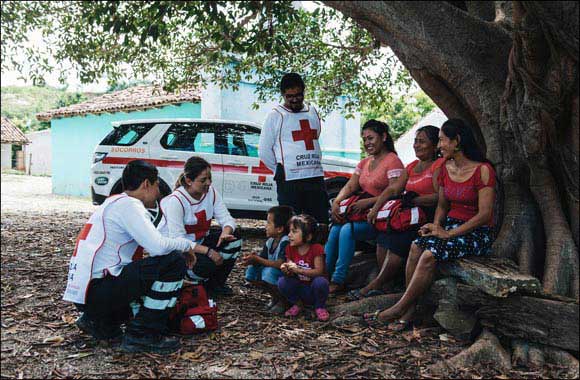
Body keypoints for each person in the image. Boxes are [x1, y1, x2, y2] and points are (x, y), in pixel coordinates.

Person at [363, 119, 496, 330]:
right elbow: (443, 205)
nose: (440, 145)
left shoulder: (483, 170)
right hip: (449, 226)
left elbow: (484, 214)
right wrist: (434, 227)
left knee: (429, 254)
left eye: (442, 140)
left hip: (476, 232)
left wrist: (448, 234)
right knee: (416, 245)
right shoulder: (446, 168)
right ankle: (409, 310)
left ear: (457, 141)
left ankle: (399, 309)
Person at [63, 160, 205, 354]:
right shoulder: (130, 205)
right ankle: (142, 334)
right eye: (156, 187)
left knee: (159, 269)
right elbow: (158, 246)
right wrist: (187, 245)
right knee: (174, 261)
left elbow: (151, 253)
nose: (157, 195)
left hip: (86, 295)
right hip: (97, 292)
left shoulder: (113, 202)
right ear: (147, 184)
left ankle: (99, 321)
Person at [349, 125, 444, 300]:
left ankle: (376, 284)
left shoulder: (439, 165)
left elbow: (440, 197)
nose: (416, 145)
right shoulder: (411, 166)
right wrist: (375, 209)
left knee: (400, 239)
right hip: (406, 215)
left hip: (427, 216)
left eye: (422, 141)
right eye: (415, 141)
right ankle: (386, 284)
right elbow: (393, 190)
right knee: (384, 236)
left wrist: (413, 199)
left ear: (435, 145)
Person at [325, 120, 405, 293]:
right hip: (360, 214)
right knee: (335, 229)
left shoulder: (393, 162)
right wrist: (337, 202)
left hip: (381, 218)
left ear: (383, 137)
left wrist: (369, 202)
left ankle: (338, 280)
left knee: (347, 230)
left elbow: (395, 193)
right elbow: (350, 186)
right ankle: (323, 275)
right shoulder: (364, 163)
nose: (367, 142)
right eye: (365, 139)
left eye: (371, 138)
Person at [159, 156, 239, 297]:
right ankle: (188, 282)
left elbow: (227, 219)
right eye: (203, 180)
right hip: (177, 251)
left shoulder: (211, 193)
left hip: (198, 243)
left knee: (235, 240)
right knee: (206, 264)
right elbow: (178, 240)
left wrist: (226, 232)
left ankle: (215, 285)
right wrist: (208, 251)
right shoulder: (176, 201)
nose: (208, 183)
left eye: (209, 178)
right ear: (189, 181)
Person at [258, 72, 329, 223]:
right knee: (289, 223)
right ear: (283, 95)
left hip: (314, 176)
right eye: (289, 96)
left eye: (298, 95)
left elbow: (315, 136)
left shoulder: (312, 111)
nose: (294, 100)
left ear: (304, 92)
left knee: (319, 221)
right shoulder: (275, 115)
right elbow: (264, 150)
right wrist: (281, 168)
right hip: (290, 180)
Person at [242, 205, 294, 314]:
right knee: (251, 272)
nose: (266, 226)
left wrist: (257, 259)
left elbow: (280, 263)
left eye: (269, 223)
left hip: (284, 276)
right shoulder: (270, 241)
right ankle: (275, 297)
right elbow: (263, 259)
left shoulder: (285, 241)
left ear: (279, 229)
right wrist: (252, 260)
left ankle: (284, 301)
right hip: (272, 272)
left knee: (269, 273)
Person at [278, 214, 330, 321]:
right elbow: (290, 269)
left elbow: (319, 271)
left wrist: (298, 270)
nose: (289, 234)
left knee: (321, 282)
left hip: (313, 289)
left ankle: (320, 306)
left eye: (294, 231)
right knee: (282, 282)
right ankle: (298, 304)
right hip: (300, 288)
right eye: (289, 231)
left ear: (308, 236)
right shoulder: (290, 248)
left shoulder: (316, 249)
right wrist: (286, 268)